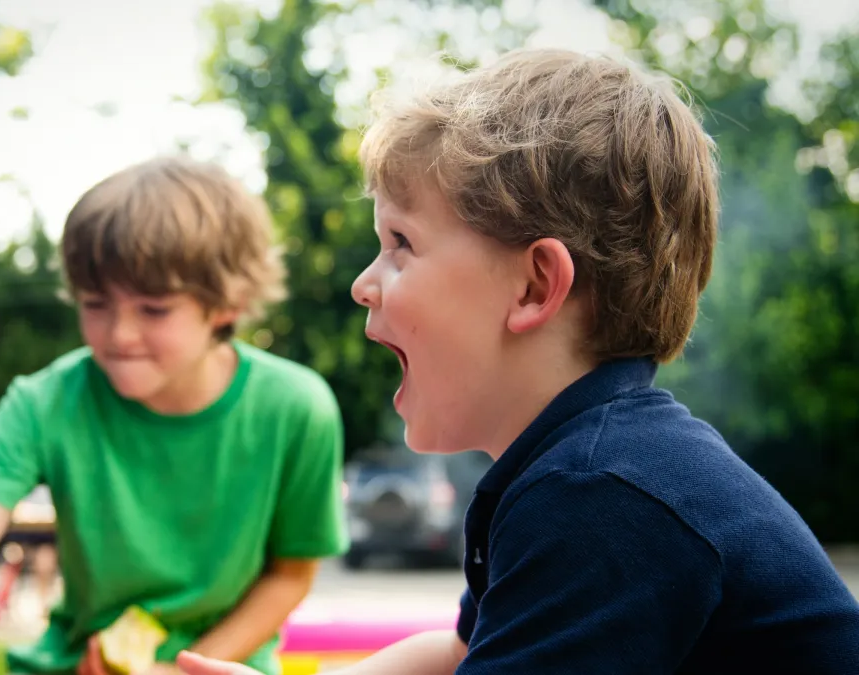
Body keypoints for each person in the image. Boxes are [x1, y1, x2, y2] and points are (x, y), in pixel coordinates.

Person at [176, 48, 859, 675]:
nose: (363, 281)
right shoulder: (585, 463)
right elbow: (459, 652)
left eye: (400, 242)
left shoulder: (601, 495)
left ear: (534, 287)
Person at [0, 156, 349, 675]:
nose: (118, 335)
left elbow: (290, 574)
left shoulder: (297, 407)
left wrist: (184, 669)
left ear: (227, 304)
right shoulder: (44, 403)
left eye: (154, 309)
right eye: (96, 303)